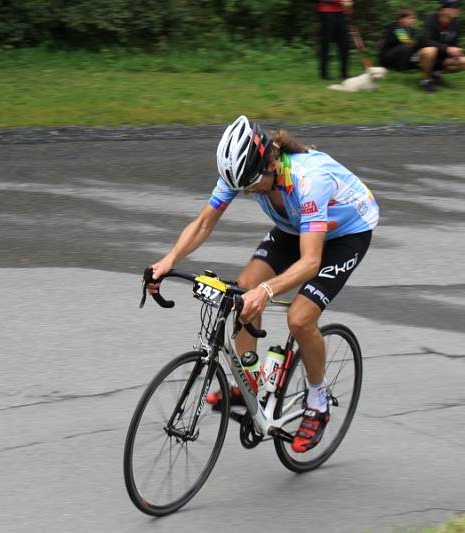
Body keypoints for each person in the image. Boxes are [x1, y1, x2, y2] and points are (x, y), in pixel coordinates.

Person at [147, 116, 379, 453]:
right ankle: (250, 382)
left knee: (299, 317)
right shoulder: (245, 173)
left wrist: (268, 291)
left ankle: (318, 402)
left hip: (345, 234)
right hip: (298, 225)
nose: (246, 192)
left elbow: (311, 262)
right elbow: (202, 224)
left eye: (250, 186)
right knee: (243, 289)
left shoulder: (308, 180)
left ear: (271, 164)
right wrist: (167, 262)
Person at [417, 0, 465, 92]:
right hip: (423, 56)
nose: (458, 9)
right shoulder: (430, 19)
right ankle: (426, 80)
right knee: (430, 50)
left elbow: (454, 43)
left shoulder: (456, 23)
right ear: (443, 9)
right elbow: (425, 40)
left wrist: (456, 52)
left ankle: (436, 73)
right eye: (454, 7)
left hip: (442, 56)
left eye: (459, 7)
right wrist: (447, 48)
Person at [317, 0, 353, 81]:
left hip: (341, 12)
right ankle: (324, 73)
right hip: (326, 12)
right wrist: (341, 1)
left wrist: (349, 2)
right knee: (326, 43)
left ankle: (344, 73)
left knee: (345, 43)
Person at [379, 7, 419, 73]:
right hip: (387, 57)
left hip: (396, 54)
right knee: (407, 47)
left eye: (413, 18)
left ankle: (411, 67)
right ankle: (402, 69)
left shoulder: (408, 29)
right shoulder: (395, 26)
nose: (414, 20)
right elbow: (406, 41)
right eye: (411, 18)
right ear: (401, 19)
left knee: (411, 48)